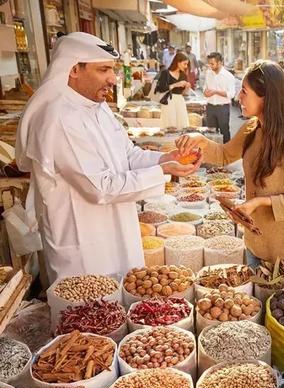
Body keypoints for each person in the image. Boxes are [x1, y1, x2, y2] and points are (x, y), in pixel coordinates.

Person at [15, 32, 200, 284]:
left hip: (115, 230)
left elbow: (128, 154)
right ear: (73, 69)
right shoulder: (58, 119)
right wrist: (164, 171)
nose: (113, 79)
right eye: (103, 70)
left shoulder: (95, 105)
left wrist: (165, 157)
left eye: (111, 70)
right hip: (83, 242)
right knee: (87, 314)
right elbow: (100, 188)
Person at [175, 60, 284, 267]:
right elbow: (224, 154)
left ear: (266, 97)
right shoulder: (252, 128)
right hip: (253, 243)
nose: (238, 97)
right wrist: (199, 139)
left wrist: (261, 202)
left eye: (244, 91)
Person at [203, 52, 236, 142]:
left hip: (223, 108)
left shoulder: (229, 76)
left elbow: (231, 94)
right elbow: (205, 88)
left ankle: (226, 153)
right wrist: (205, 92)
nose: (210, 66)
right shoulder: (208, 73)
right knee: (211, 132)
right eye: (209, 63)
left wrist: (216, 92)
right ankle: (212, 154)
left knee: (224, 131)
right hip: (210, 107)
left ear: (220, 63)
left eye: (212, 64)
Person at [155, 52, 191, 129]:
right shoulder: (166, 73)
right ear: (178, 62)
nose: (186, 66)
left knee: (181, 125)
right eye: (184, 64)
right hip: (168, 101)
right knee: (170, 125)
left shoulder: (183, 75)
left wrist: (187, 88)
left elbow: (183, 93)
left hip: (180, 101)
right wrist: (175, 84)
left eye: (187, 64)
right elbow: (161, 89)